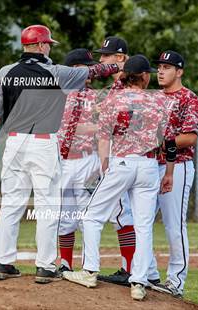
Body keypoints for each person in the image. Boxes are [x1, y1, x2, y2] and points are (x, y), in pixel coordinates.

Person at [0, 24, 120, 284]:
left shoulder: (5, 72)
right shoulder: (54, 72)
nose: (50, 49)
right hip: (43, 143)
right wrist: (116, 66)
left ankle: (4, 262)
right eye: (49, 45)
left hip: (13, 143)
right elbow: (94, 71)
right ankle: (45, 266)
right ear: (42, 45)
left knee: (11, 205)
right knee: (47, 206)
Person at [63, 55, 176, 301]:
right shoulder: (159, 101)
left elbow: (104, 138)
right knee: (143, 226)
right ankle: (138, 282)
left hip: (122, 162)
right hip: (148, 165)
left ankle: (90, 270)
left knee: (92, 216)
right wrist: (169, 172)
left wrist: (105, 166)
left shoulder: (113, 100)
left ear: (126, 76)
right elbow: (169, 142)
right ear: (145, 76)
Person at [148, 50, 198, 298]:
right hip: (149, 167)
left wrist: (158, 143)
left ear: (179, 72)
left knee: (173, 227)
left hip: (177, 166)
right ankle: (148, 275)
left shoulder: (189, 98)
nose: (160, 70)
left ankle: (175, 282)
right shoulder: (152, 98)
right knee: (139, 222)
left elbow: (190, 137)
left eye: (167, 67)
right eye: (159, 66)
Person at [94, 36, 138, 286]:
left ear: (120, 58)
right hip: (127, 157)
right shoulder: (117, 86)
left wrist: (107, 158)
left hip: (123, 156)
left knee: (122, 214)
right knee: (127, 214)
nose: (101, 60)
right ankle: (137, 269)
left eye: (106, 55)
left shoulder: (127, 86)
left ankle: (129, 269)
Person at [57, 48, 101, 272]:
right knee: (65, 217)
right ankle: (65, 264)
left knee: (87, 217)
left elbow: (102, 128)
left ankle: (89, 267)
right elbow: (65, 128)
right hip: (64, 161)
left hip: (87, 159)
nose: (91, 71)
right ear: (74, 69)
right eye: (86, 67)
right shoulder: (59, 93)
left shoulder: (94, 96)